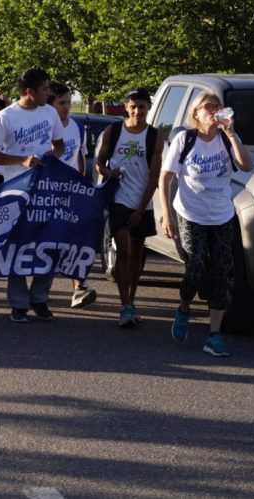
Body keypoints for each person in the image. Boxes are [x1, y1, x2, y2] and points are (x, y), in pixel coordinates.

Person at [161, 92, 253, 357]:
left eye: (217, 106)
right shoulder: (185, 139)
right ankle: (184, 307)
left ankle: (214, 335)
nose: (214, 110)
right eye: (208, 106)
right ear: (196, 113)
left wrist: (233, 134)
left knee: (222, 271)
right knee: (196, 266)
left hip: (222, 215)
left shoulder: (226, 139)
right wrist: (168, 217)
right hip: (191, 214)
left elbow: (246, 166)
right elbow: (165, 178)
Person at [0, 68, 66, 323]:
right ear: (30, 92)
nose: (48, 93)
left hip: (45, 189)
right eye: (44, 89)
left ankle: (39, 298)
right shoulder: (6, 117)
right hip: (16, 190)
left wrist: (53, 155)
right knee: (18, 245)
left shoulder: (50, 112)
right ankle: (18, 303)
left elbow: (60, 145)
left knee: (48, 243)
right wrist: (22, 160)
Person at [96, 88, 164, 328]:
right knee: (123, 251)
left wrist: (141, 208)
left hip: (141, 202)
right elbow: (99, 164)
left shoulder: (154, 136)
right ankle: (124, 305)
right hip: (118, 199)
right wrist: (108, 172)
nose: (137, 111)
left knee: (136, 253)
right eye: (133, 106)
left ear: (148, 108)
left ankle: (132, 300)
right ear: (126, 107)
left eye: (142, 107)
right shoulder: (113, 132)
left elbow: (154, 178)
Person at [47, 83, 96, 309]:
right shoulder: (45, 127)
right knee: (49, 244)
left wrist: (82, 185)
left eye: (68, 102)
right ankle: (40, 292)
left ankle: (79, 288)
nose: (66, 107)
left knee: (76, 239)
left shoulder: (77, 126)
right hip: (48, 195)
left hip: (72, 194)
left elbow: (80, 158)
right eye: (61, 103)